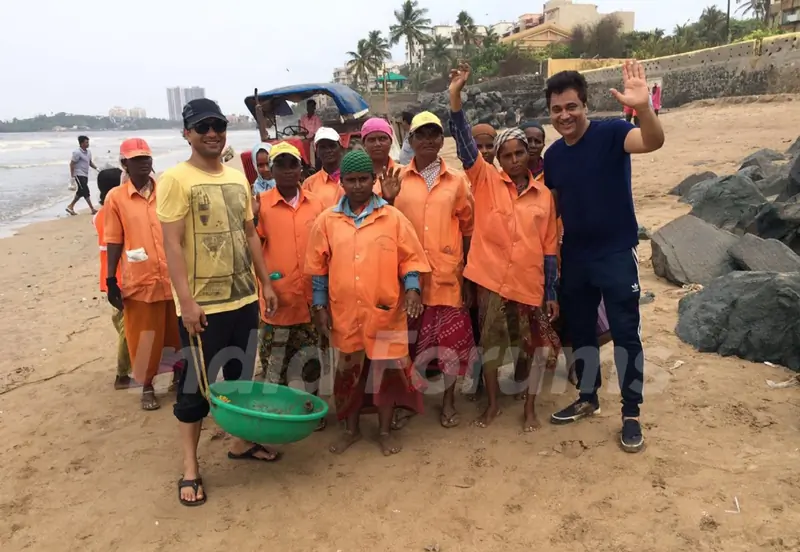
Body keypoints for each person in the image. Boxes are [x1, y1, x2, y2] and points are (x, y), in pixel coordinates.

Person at [157, 98, 281, 506]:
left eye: (218, 125)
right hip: (202, 308)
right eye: (202, 126)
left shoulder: (236, 179)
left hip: (243, 298)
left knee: (240, 379)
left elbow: (249, 235)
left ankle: (242, 442)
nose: (212, 132)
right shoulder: (176, 179)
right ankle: (190, 468)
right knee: (195, 389)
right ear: (187, 133)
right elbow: (172, 245)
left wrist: (265, 284)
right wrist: (187, 303)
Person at [543, 61, 665, 453]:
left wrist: (643, 108)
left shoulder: (613, 133)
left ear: (585, 105)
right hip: (575, 256)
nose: (565, 115)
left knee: (626, 334)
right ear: (550, 112)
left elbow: (653, 142)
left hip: (614, 253)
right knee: (582, 332)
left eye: (572, 107)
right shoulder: (553, 156)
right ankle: (588, 396)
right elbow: (554, 210)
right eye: (557, 109)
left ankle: (631, 414)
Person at [449, 62, 560, 432]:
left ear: (529, 154)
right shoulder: (484, 180)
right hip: (492, 280)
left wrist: (551, 291)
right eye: (507, 155)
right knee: (492, 347)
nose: (514, 160)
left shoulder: (544, 196)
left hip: (529, 285)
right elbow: (465, 142)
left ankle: (529, 408)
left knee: (535, 348)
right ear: (496, 157)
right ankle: (494, 405)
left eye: (520, 153)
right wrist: (455, 96)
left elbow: (548, 248)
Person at [305, 149, 431, 456]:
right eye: (351, 180)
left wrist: (413, 290)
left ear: (374, 181)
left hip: (385, 311)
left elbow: (410, 260)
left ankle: (385, 431)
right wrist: (320, 307)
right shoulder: (327, 221)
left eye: (364, 179)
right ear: (342, 183)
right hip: (345, 312)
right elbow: (319, 270)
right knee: (348, 376)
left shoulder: (393, 218)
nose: (358, 185)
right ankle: (350, 430)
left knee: (386, 375)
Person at [380, 111, 476, 429]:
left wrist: (469, 275)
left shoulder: (457, 181)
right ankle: (411, 401)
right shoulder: (396, 179)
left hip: (448, 276)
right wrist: (389, 200)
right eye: (421, 134)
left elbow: (467, 227)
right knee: (406, 345)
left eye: (434, 133)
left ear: (441, 139)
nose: (428, 140)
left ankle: (448, 403)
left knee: (449, 347)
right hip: (407, 281)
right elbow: (385, 225)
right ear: (411, 140)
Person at [104, 138, 181, 411]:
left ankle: (178, 377)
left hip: (172, 276)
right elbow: (113, 239)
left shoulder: (166, 191)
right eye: (137, 159)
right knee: (143, 336)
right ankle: (147, 385)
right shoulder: (116, 198)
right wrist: (111, 279)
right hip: (139, 279)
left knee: (176, 332)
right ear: (125, 163)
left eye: (146, 157)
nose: (144, 163)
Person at [256, 142, 325, 414]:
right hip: (277, 300)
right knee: (276, 363)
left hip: (309, 300)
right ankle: (279, 413)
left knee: (311, 363)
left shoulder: (317, 204)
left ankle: (310, 409)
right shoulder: (259, 207)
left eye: (292, 164)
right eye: (280, 165)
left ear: (301, 167)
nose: (287, 170)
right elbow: (253, 249)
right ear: (271, 171)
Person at [94, 167, 133, 390]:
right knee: (127, 327)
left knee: (122, 322)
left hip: (110, 278)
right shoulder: (114, 212)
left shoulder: (99, 215)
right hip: (121, 278)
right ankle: (122, 374)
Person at [302, 127, 344, 208]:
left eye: (332, 146)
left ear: (341, 148)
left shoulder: (353, 178)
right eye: (323, 147)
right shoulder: (309, 184)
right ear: (316, 152)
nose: (328, 150)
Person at [66, 135, 99, 215]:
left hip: (85, 174)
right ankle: (92, 209)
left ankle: (70, 207)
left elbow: (90, 162)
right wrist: (72, 177)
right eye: (86, 142)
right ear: (81, 143)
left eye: (88, 142)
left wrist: (97, 169)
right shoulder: (77, 152)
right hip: (78, 174)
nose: (88, 144)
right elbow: (72, 164)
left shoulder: (89, 152)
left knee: (81, 192)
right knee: (85, 190)